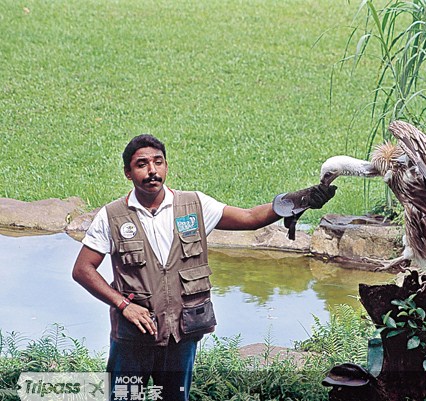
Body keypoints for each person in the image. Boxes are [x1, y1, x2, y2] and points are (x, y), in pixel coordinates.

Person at [72, 134, 336, 401]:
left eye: (158, 162)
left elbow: (249, 217)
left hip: (181, 335)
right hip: (132, 337)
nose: (152, 171)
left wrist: (298, 200)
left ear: (166, 166)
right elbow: (83, 269)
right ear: (128, 172)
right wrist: (124, 305)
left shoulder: (194, 204)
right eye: (142, 164)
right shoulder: (112, 215)